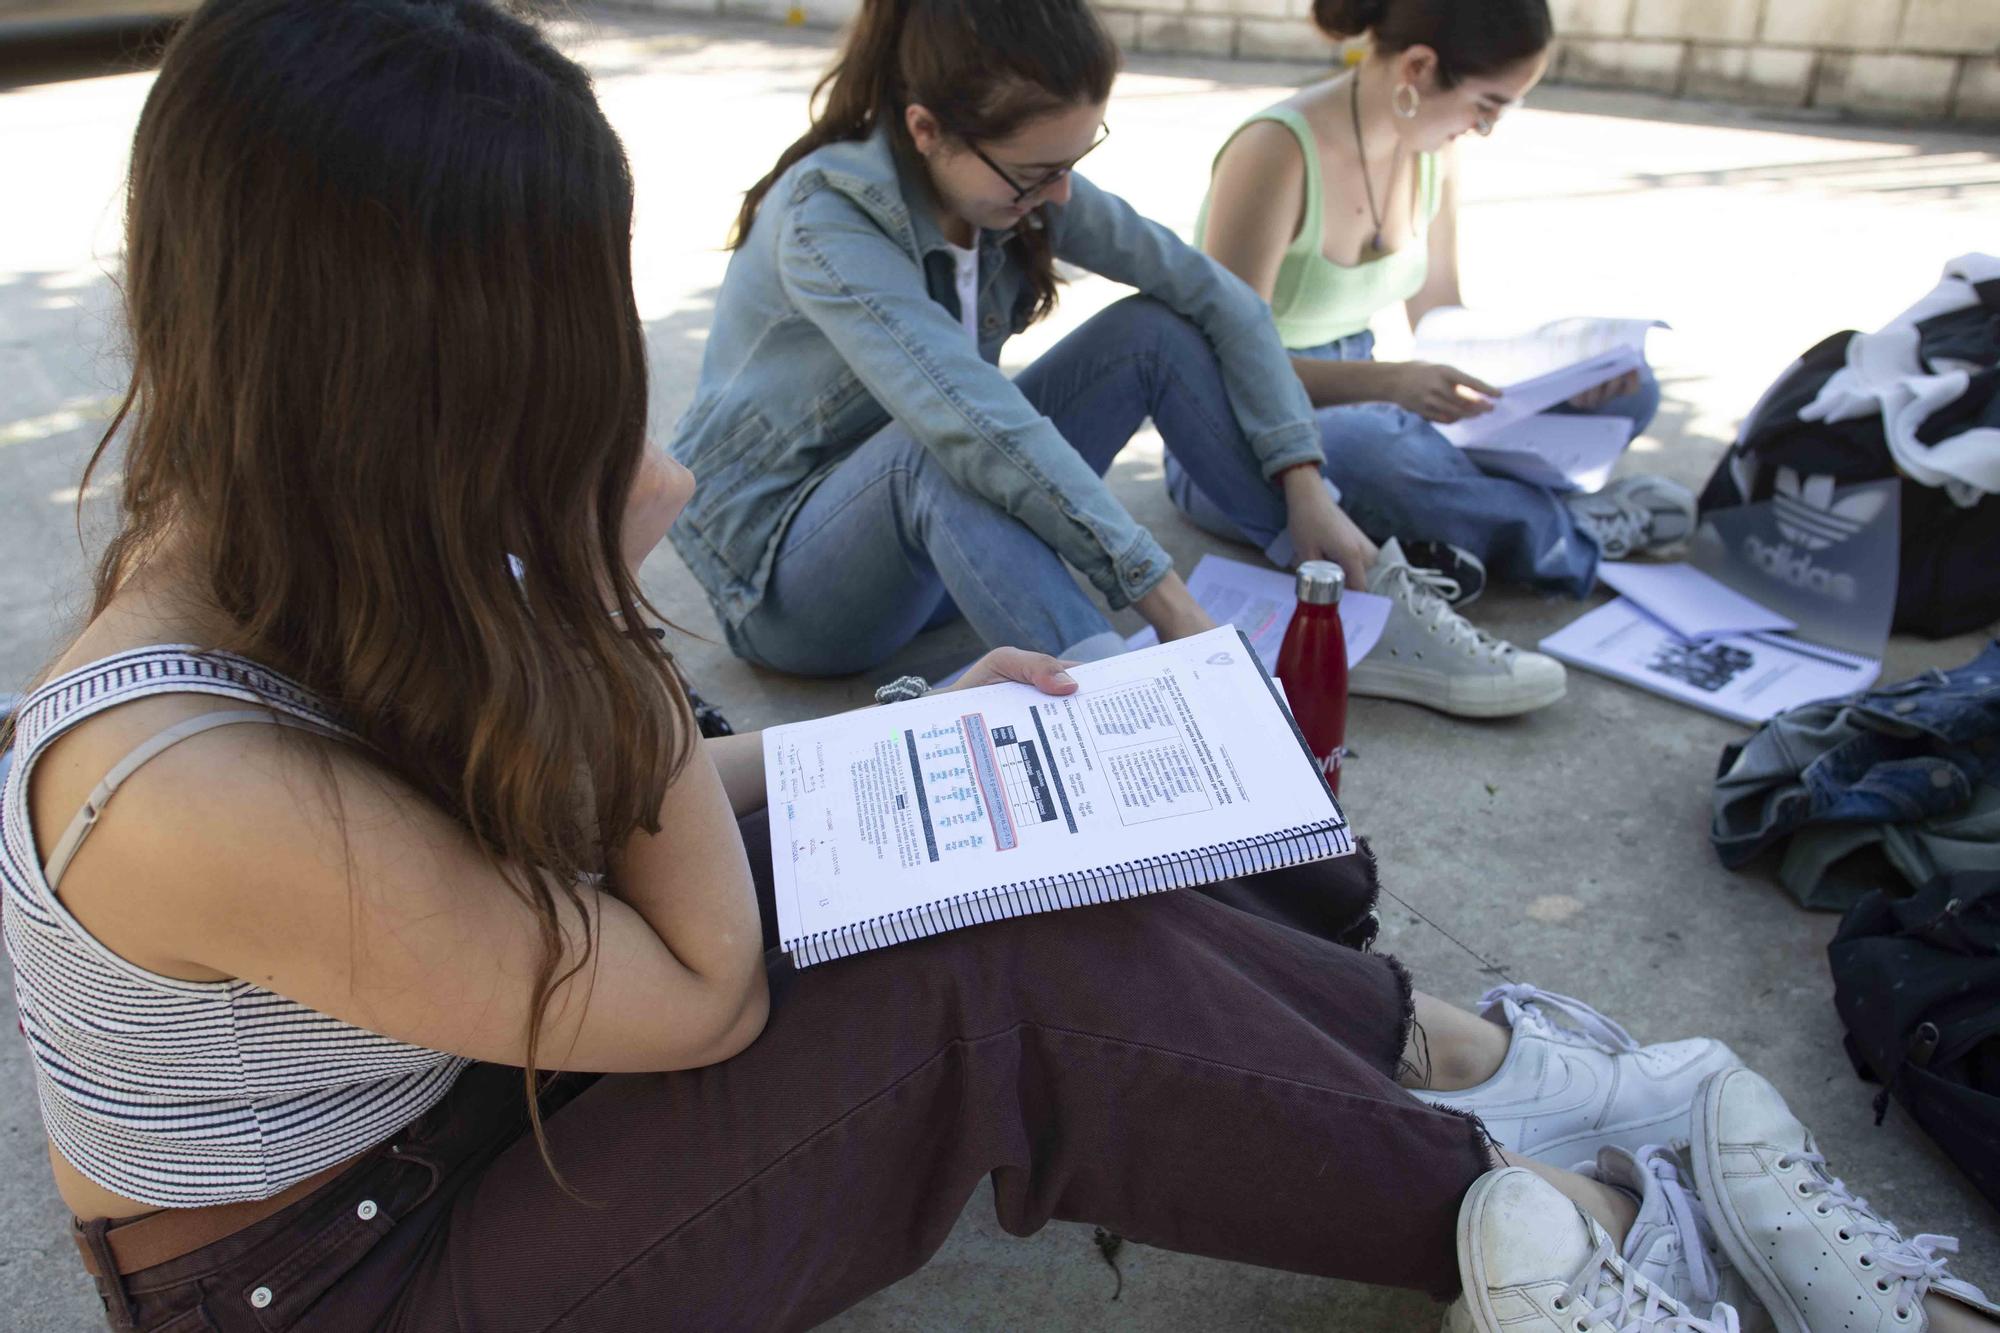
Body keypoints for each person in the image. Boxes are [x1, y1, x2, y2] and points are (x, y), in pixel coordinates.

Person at [6, 5, 1992, 1333]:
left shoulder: (305, 521)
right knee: (963, 995)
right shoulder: (193, 785)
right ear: (392, 370)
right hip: (356, 1273)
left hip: (460, 1085)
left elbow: (494, 857)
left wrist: (894, 742)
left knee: (972, 848)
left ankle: (1487, 1071)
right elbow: (693, 991)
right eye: (554, 321)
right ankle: (1596, 1231)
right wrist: (608, 622)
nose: (600, 358)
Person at [668, 0, 1568, 719]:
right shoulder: (829, 220)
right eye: (1036, 174)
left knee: (1156, 331)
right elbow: (970, 420)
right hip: (791, 588)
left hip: (939, 548)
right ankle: (1131, 720)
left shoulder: (1015, 171)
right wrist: (1163, 598)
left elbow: (1216, 295)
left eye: (1075, 160)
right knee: (941, 444)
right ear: (927, 129)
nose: (1058, 197)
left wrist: (1304, 480)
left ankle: (1348, 610)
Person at [1171, 0, 1697, 611]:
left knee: (1633, 389)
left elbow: (1441, 315)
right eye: (1487, 106)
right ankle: (1564, 533)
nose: (1483, 128)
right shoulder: (1275, 150)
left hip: (1375, 401)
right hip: (1244, 434)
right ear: (1419, 67)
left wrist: (1560, 373)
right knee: (1374, 451)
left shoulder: (1430, 149)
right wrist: (1393, 382)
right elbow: (1229, 361)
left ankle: (1468, 517)